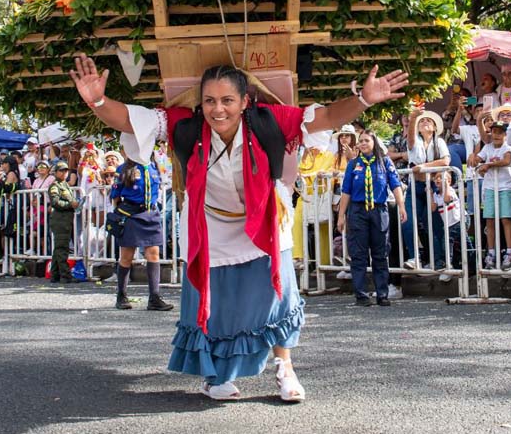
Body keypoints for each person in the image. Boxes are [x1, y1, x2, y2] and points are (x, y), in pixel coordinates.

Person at [69, 54, 407, 403]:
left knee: (278, 296)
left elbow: (325, 118)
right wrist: (96, 100)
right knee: (217, 302)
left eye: (228, 100)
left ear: (245, 101)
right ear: (200, 104)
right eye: (210, 101)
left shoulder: (268, 120)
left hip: (265, 218)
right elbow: (126, 118)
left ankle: (285, 367)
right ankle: (216, 373)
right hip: (209, 224)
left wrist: (365, 98)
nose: (219, 110)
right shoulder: (184, 125)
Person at [336, 130, 407, 306]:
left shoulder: (384, 162)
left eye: (366, 140)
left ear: (374, 142)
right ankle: (361, 294)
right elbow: (346, 191)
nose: (363, 143)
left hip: (379, 210)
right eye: (360, 141)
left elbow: (395, 184)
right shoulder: (353, 164)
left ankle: (382, 294)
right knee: (358, 254)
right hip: (358, 211)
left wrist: (401, 206)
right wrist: (341, 216)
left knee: (380, 253)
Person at [109, 155, 172, 311]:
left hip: (150, 213)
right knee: (127, 256)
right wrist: (118, 215)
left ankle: (154, 297)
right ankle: (121, 295)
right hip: (130, 213)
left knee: (154, 254)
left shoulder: (153, 166)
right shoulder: (124, 168)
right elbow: (115, 196)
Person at [402, 110, 450, 272]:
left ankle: (439, 260)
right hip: (415, 186)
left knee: (433, 223)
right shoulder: (415, 141)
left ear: (435, 128)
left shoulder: (440, 142)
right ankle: (414, 257)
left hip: (432, 187)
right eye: (422, 121)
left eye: (429, 121)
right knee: (407, 221)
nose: (425, 123)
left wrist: (423, 167)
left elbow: (446, 160)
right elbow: (409, 139)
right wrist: (414, 117)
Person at [475, 119, 511, 269]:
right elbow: (478, 158)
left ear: (505, 134)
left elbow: (506, 161)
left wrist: (489, 164)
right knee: (490, 220)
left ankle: (510, 251)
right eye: (494, 132)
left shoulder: (507, 147)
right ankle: (491, 252)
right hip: (490, 187)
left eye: (500, 132)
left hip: (505, 186)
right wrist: (475, 159)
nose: (496, 135)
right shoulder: (487, 147)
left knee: (506, 219)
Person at [47, 161, 79, 284]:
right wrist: (70, 204)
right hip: (60, 220)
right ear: (56, 172)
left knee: (58, 248)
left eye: (66, 171)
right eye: (61, 171)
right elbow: (55, 202)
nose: (64, 173)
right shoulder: (55, 186)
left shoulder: (65, 185)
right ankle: (66, 275)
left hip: (65, 219)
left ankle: (54, 275)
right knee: (62, 248)